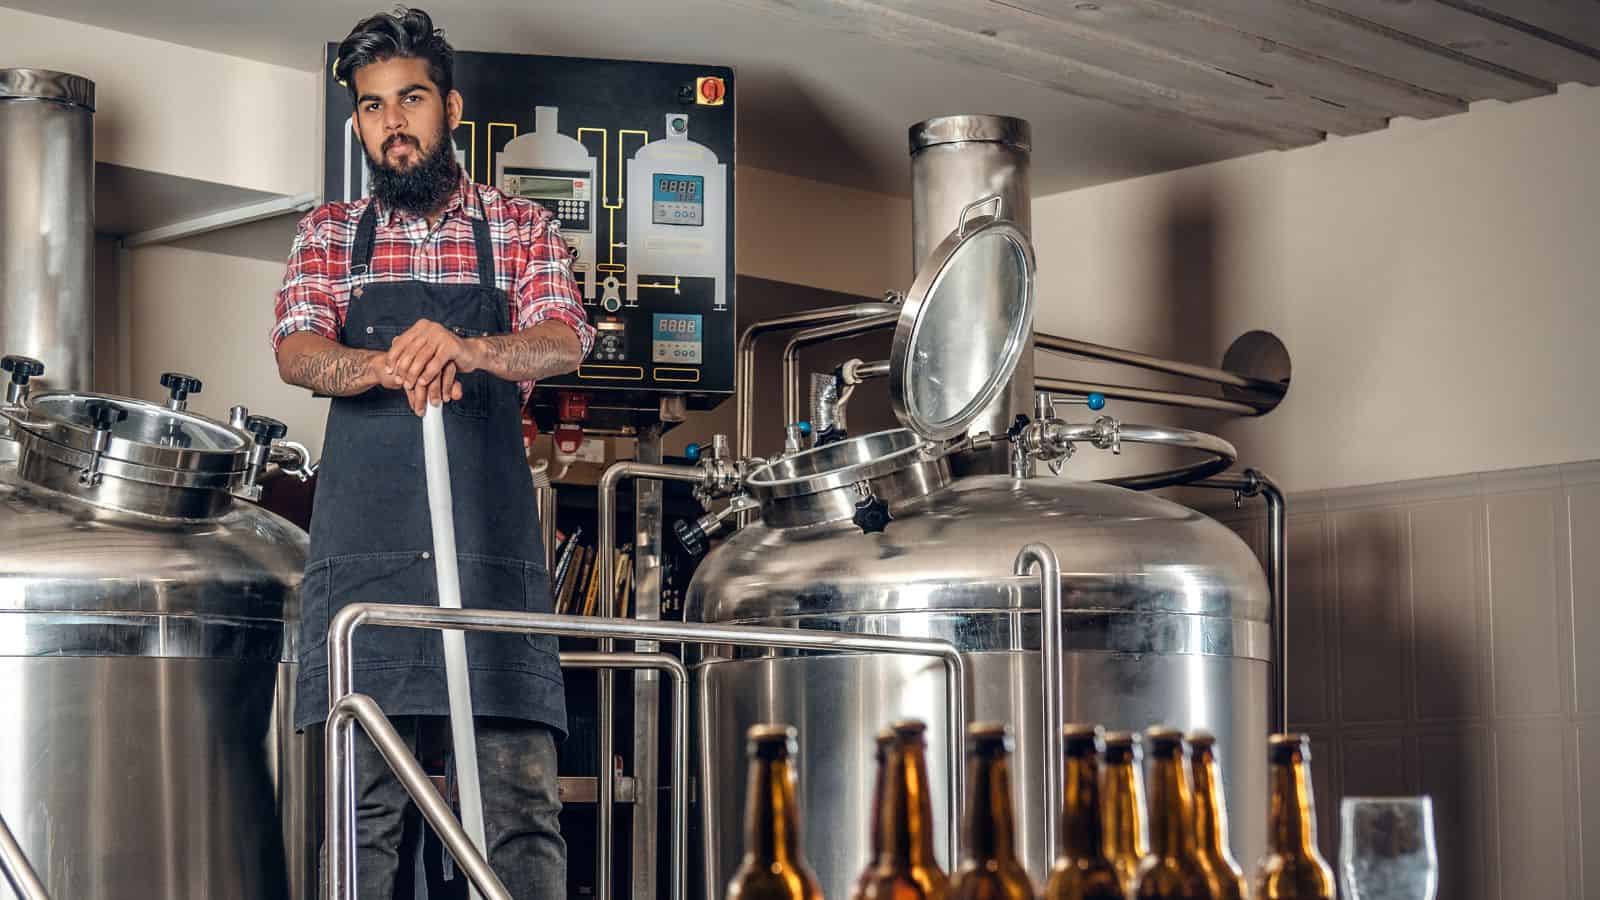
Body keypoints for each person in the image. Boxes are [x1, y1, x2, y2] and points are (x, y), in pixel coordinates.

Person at [271, 8, 592, 897]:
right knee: (365, 811)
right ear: (359, 123)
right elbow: (298, 351)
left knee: (517, 805)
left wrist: (472, 347)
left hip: (487, 566)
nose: (393, 124)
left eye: (409, 99)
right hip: (367, 570)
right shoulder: (329, 233)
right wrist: (386, 361)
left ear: (449, 106)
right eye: (373, 108)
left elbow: (564, 339)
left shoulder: (520, 225)